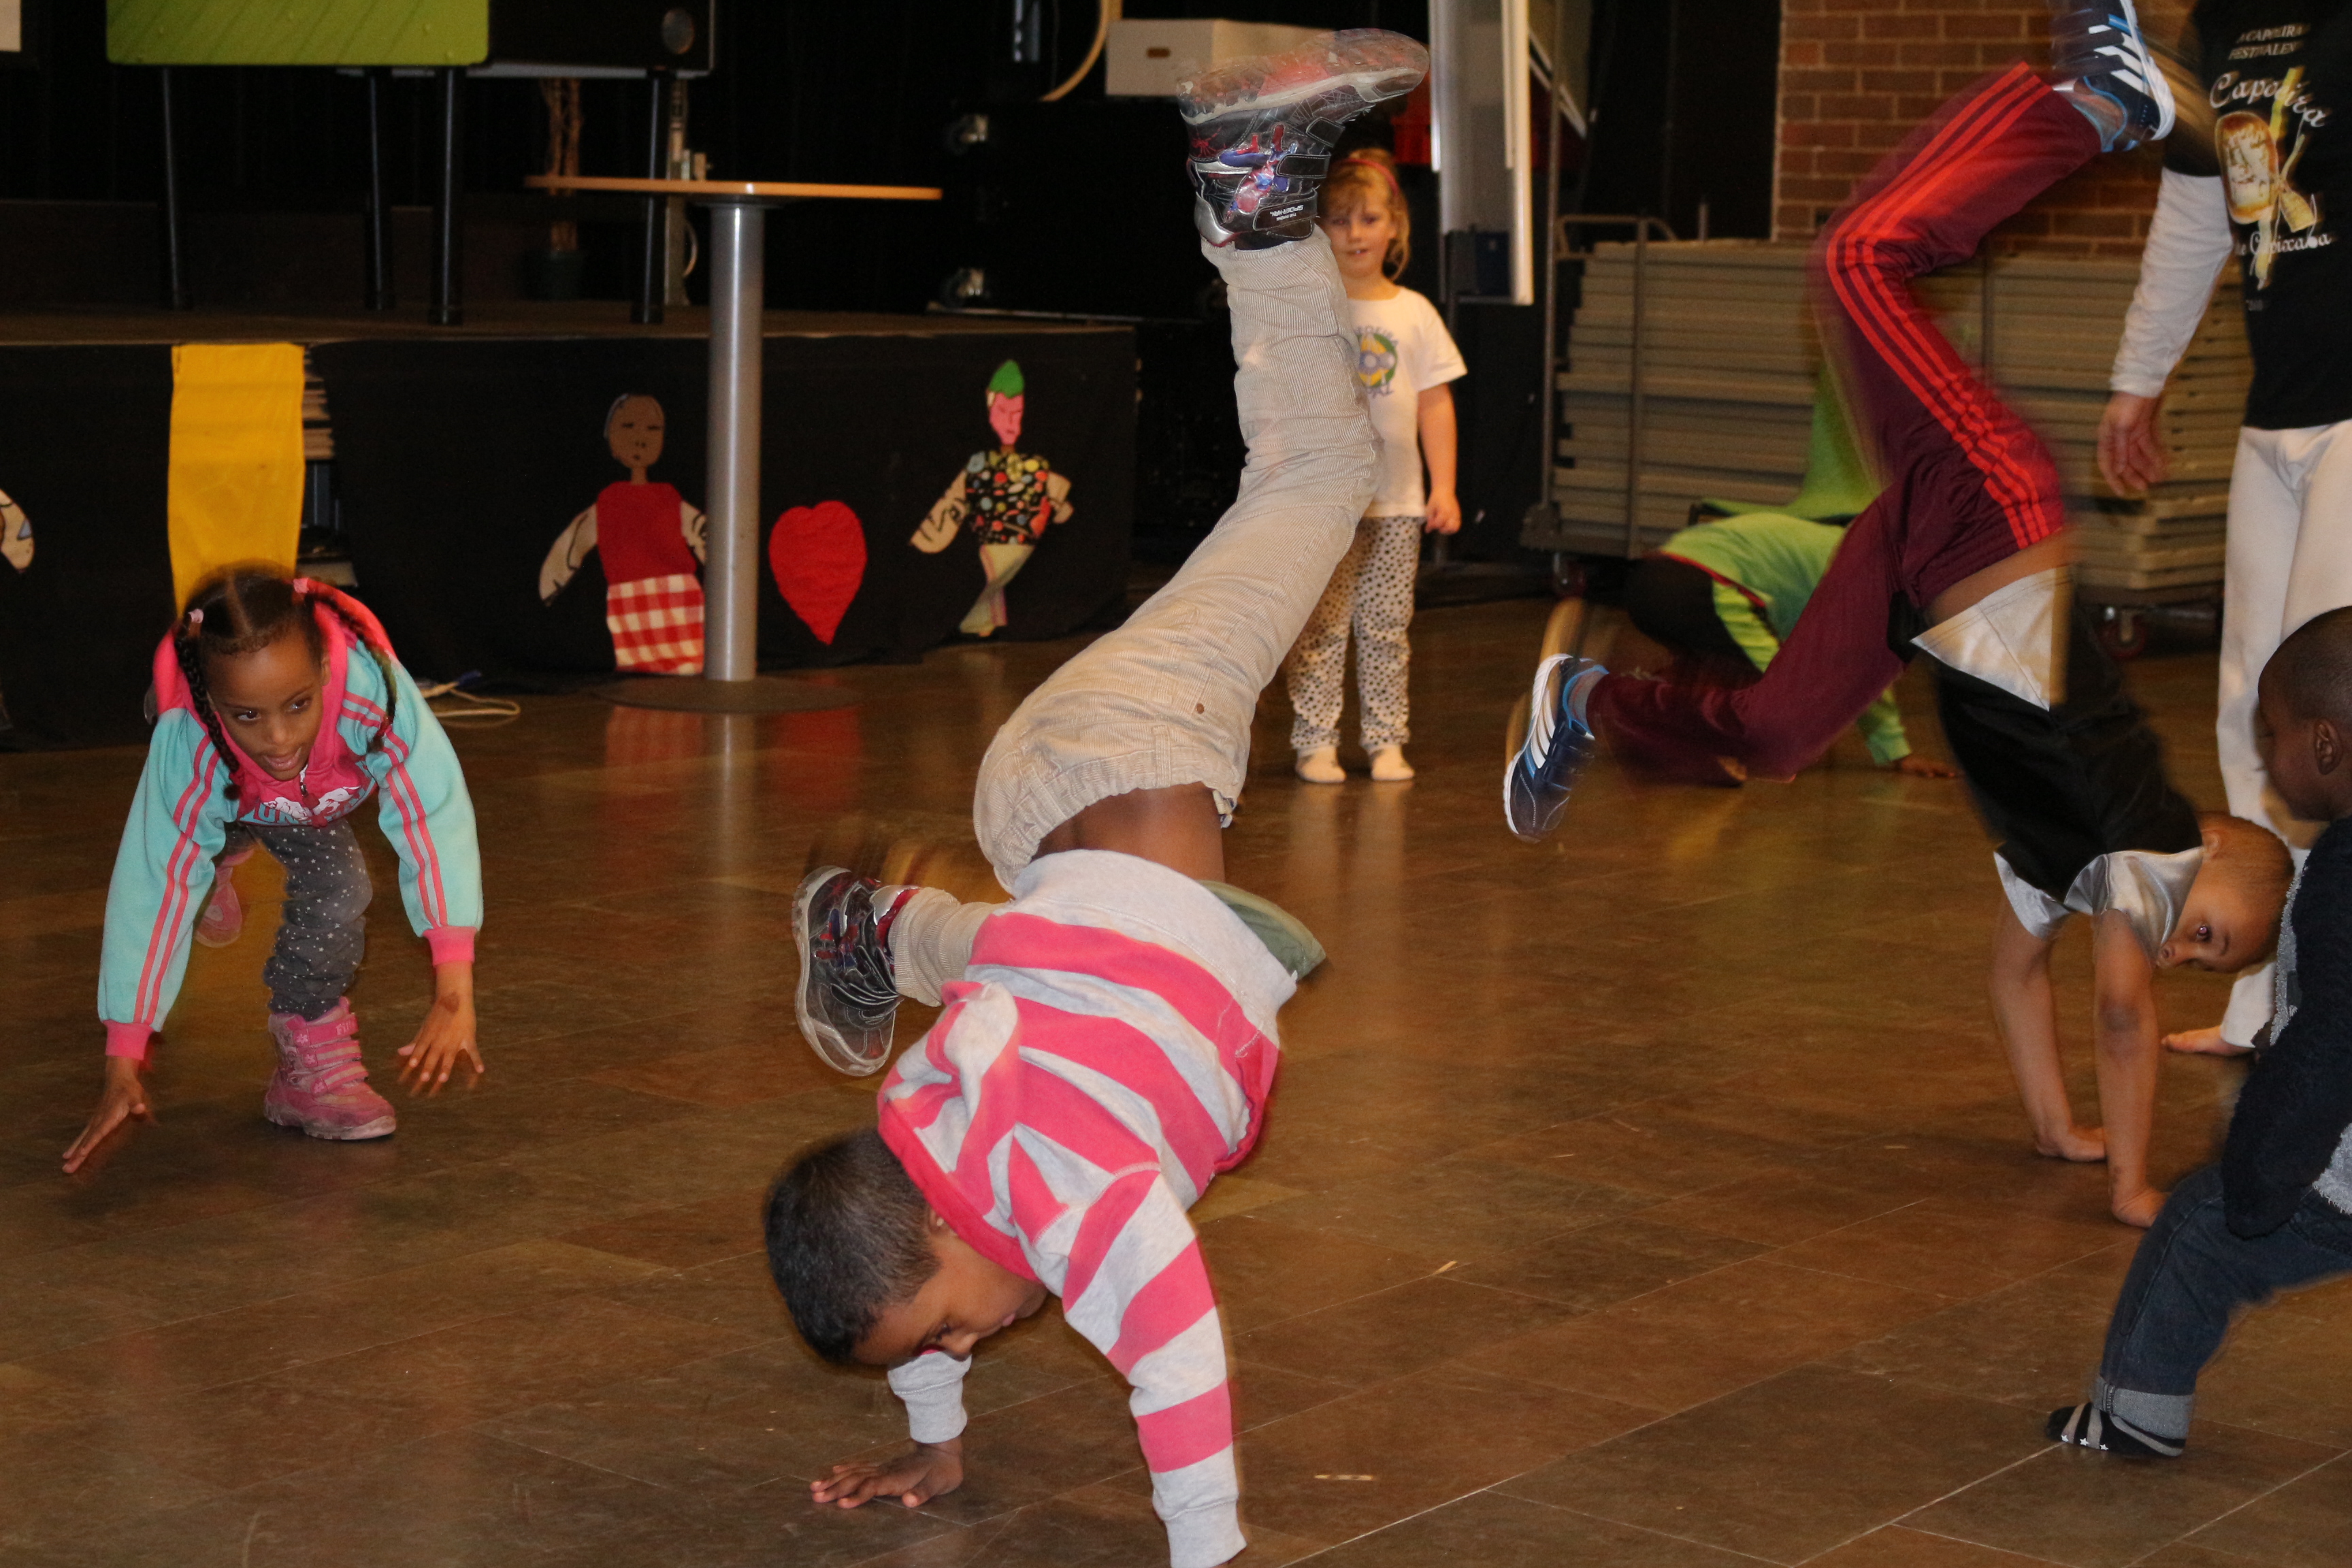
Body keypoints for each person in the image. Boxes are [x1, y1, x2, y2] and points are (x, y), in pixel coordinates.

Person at [760, 30, 1425, 1568]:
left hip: (1123, 753)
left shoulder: (1083, 1212)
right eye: (942, 1355)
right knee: (1002, 960)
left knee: (1317, 474)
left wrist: (1210, 1554)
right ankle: (872, 926)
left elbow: (1179, 1373)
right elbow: (912, 1287)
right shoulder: (917, 1132)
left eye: (948, 1333)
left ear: (939, 1220)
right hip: (1055, 827)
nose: (970, 1343)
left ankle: (1251, 189)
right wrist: (934, 1440)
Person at [1503, 5, 2178, 836]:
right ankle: (2097, 104)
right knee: (1857, 259)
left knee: (1777, 736)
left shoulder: (2080, 846)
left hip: (1922, 544)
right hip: (1986, 500)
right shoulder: (2135, 830)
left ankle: (1580, 697)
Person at [2098, 3, 2352, 1057]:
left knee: (2333, 719)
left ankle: (2327, 1011)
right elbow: (2198, 214)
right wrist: (2137, 380)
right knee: (2257, 714)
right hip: (2276, 412)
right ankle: (2264, 1004)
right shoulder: (2225, 20)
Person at [2048, 607, 2352, 1456]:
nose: (2267, 755)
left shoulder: (2343, 877)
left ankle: (2135, 1413)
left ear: (2326, 746)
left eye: (2274, 734)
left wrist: (2258, 1173)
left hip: (2337, 1170)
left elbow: (2333, 1041)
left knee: (2202, 1228)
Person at [62, 568, 484, 1173]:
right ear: (212, 703)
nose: (281, 738)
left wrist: (454, 989)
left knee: (339, 888)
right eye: (248, 715)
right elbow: (152, 884)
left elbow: (435, 818)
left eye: (298, 705)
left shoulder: (374, 692)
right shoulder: (188, 744)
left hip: (310, 799)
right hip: (230, 787)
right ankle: (222, 846)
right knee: (207, 830)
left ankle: (305, 1062)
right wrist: (123, 1059)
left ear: (325, 671)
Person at [1281, 146, 1464, 784]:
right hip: (1327, 504)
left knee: (1386, 626)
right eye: (1339, 220)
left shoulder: (1414, 313)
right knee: (1322, 625)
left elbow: (1436, 405)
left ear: (1395, 226)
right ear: (1320, 229)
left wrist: (1444, 487)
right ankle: (1315, 742)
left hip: (1396, 504)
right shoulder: (1310, 311)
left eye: (1369, 219)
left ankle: (1386, 740)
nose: (1355, 234)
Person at [1618, 512, 1957, 779]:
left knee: (1728, 662)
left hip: (1647, 582)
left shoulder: (1849, 550)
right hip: (1700, 586)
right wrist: (1896, 752)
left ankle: (1648, 702)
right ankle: (1701, 739)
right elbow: (1863, 672)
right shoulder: (1871, 579)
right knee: (1783, 683)